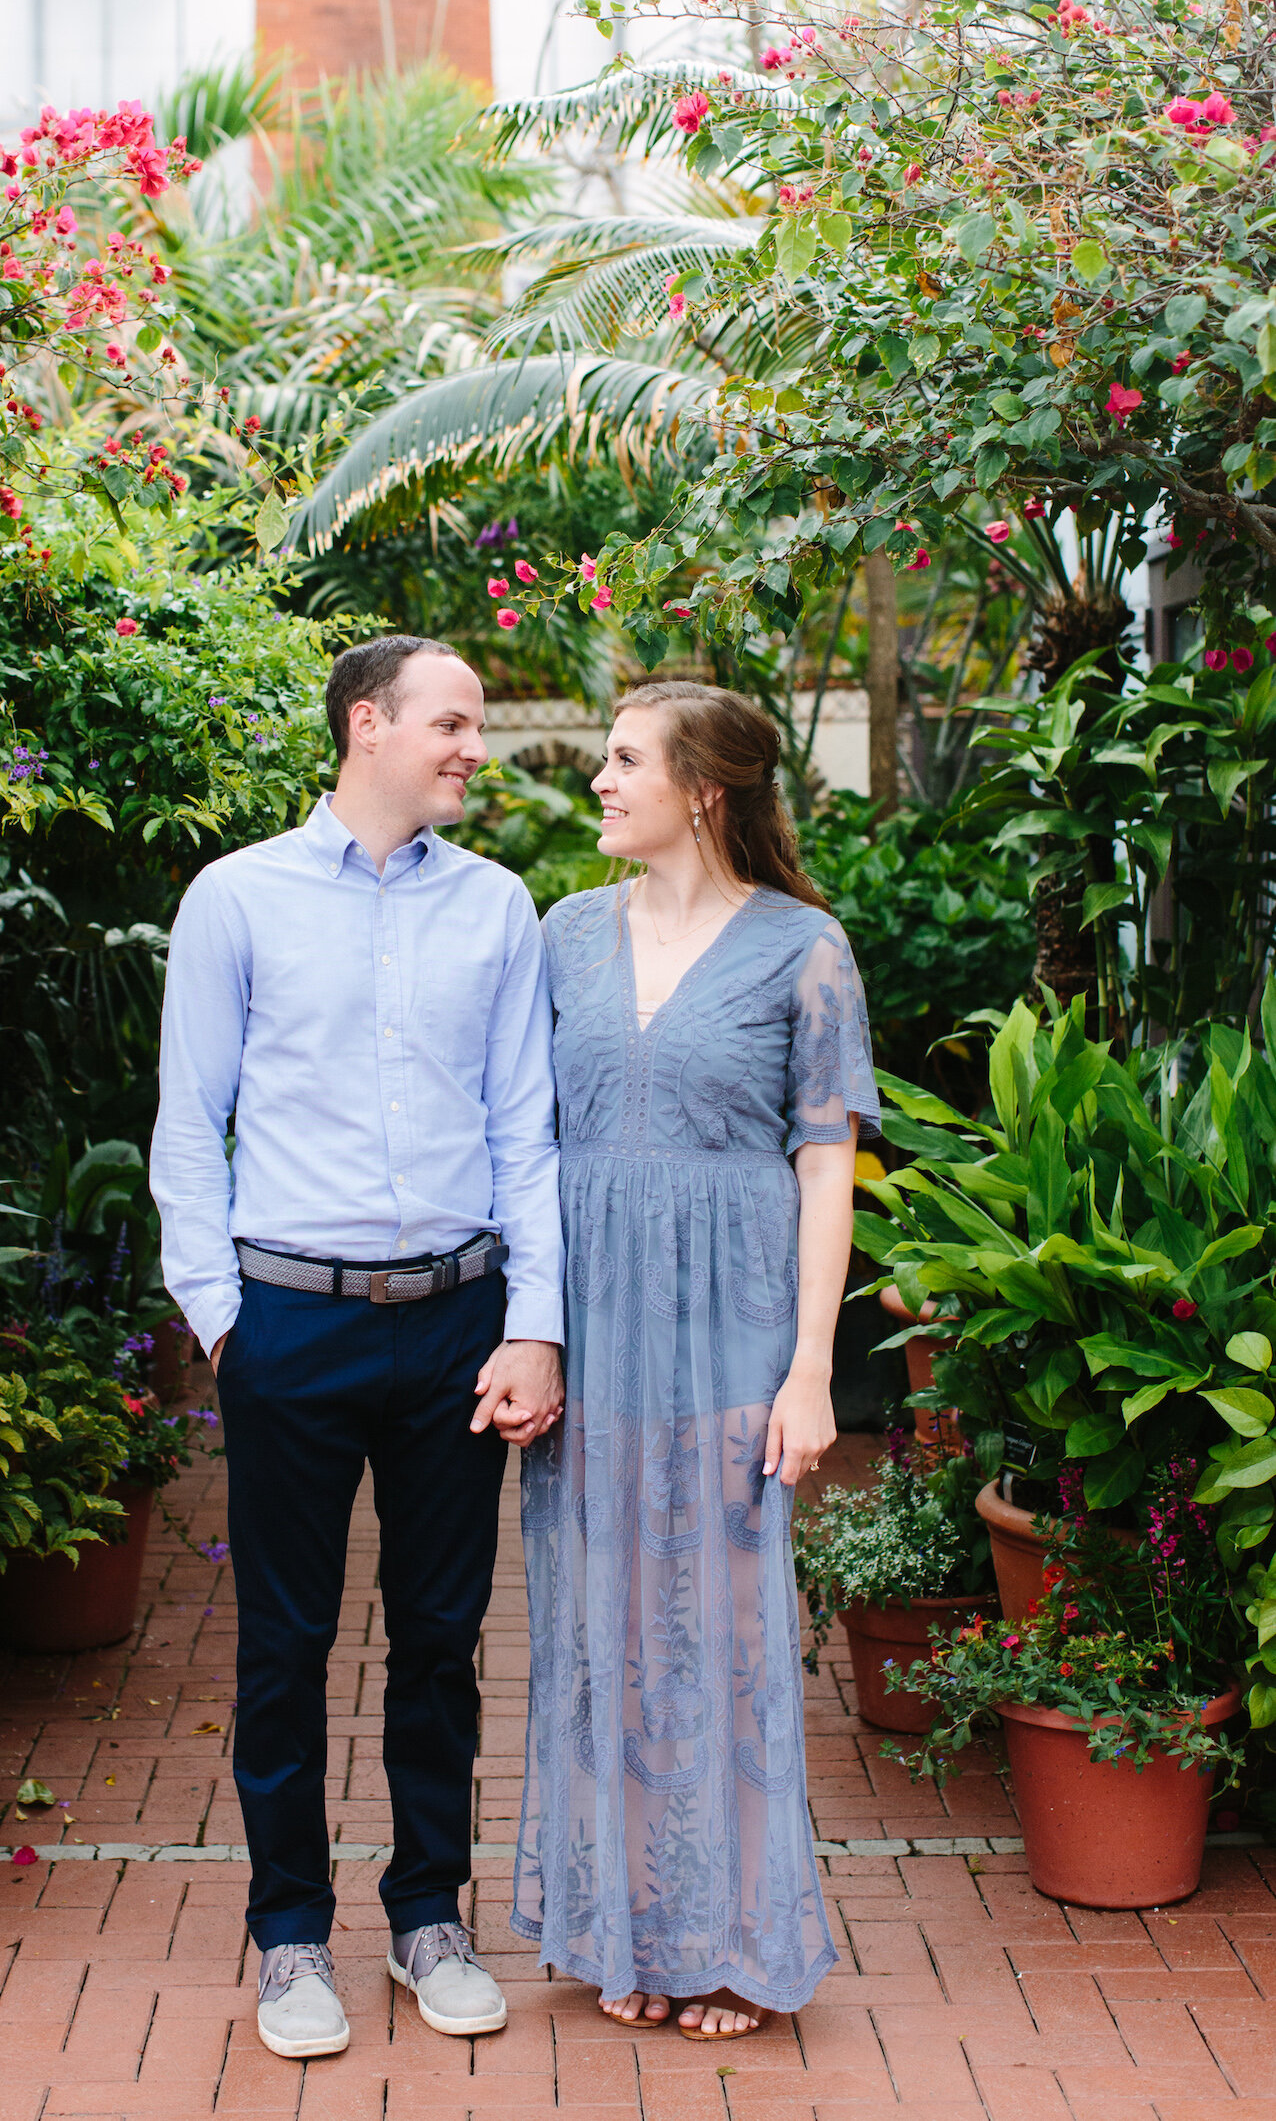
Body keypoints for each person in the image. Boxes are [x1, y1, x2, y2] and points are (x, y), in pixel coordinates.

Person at [151, 636, 565, 2063]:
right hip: (292, 1323)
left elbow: (529, 1133)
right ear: (367, 723)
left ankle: (428, 1915)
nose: (473, 747)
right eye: (453, 722)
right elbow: (185, 1125)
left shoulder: (500, 909)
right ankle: (287, 1936)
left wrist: (534, 1324)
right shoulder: (237, 898)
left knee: (442, 1644)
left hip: (458, 1321)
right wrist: (223, 1322)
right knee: (286, 1645)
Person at [513, 680, 879, 2039]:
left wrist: (811, 1366)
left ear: (703, 789)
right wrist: (528, 1330)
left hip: (732, 1333)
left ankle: (730, 1943)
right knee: (602, 1626)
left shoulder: (805, 948)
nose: (600, 781)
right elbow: (522, 1147)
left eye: (624, 759)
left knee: (721, 1639)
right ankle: (624, 1923)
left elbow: (829, 1170)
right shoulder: (561, 937)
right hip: (598, 1338)